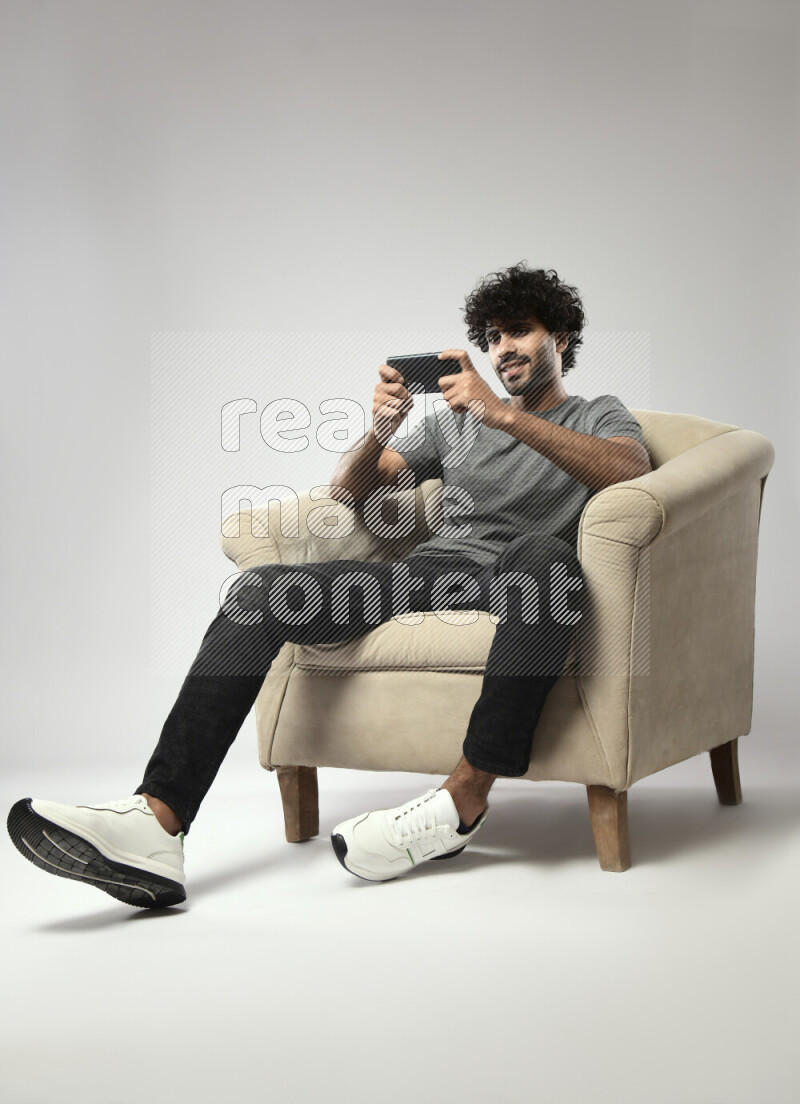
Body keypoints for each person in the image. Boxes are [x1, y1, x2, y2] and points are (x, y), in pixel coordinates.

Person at [7, 262, 651, 906]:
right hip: (430, 572)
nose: (503, 348)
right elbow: (350, 490)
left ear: (561, 337)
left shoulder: (598, 414)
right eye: (492, 336)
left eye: (519, 331)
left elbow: (629, 470)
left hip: (526, 577)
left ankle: (462, 801)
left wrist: (503, 416)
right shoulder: (452, 424)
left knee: (543, 555)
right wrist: (380, 431)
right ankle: (158, 821)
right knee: (257, 593)